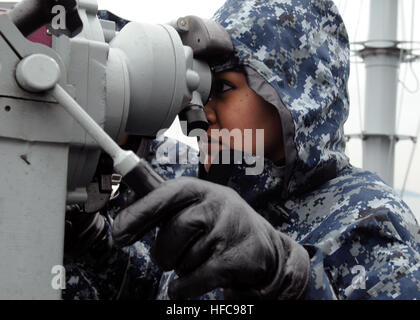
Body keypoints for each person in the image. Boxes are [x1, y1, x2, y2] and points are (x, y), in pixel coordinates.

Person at [66, 0, 420, 300]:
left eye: (223, 87)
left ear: (291, 94)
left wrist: (287, 279)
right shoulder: (226, 196)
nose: (204, 113)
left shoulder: (369, 215)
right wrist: (92, 240)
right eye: (204, 92)